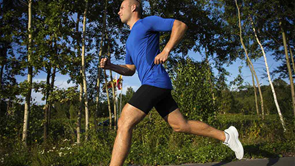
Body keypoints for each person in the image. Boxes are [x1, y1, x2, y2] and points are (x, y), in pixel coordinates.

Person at [99, 0, 244, 165]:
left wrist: (166, 50)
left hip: (155, 81)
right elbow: (130, 69)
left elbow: (180, 25)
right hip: (154, 84)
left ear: (134, 7)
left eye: (121, 7)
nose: (118, 11)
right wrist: (111, 66)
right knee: (180, 125)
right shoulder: (130, 39)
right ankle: (226, 136)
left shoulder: (147, 22)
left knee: (124, 121)